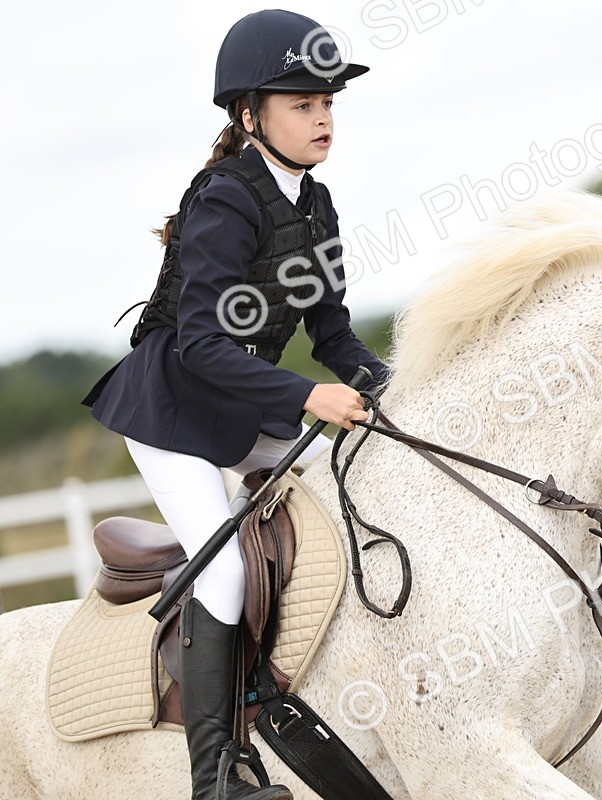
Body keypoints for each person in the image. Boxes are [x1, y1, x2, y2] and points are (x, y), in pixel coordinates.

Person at [80, 10, 389, 799]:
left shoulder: (315, 205)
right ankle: (215, 778)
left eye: (327, 103)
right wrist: (309, 395)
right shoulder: (225, 198)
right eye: (301, 104)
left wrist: (385, 383)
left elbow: (333, 333)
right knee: (218, 580)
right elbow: (200, 345)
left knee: (352, 480)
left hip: (243, 407)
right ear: (251, 116)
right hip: (175, 413)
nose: (321, 118)